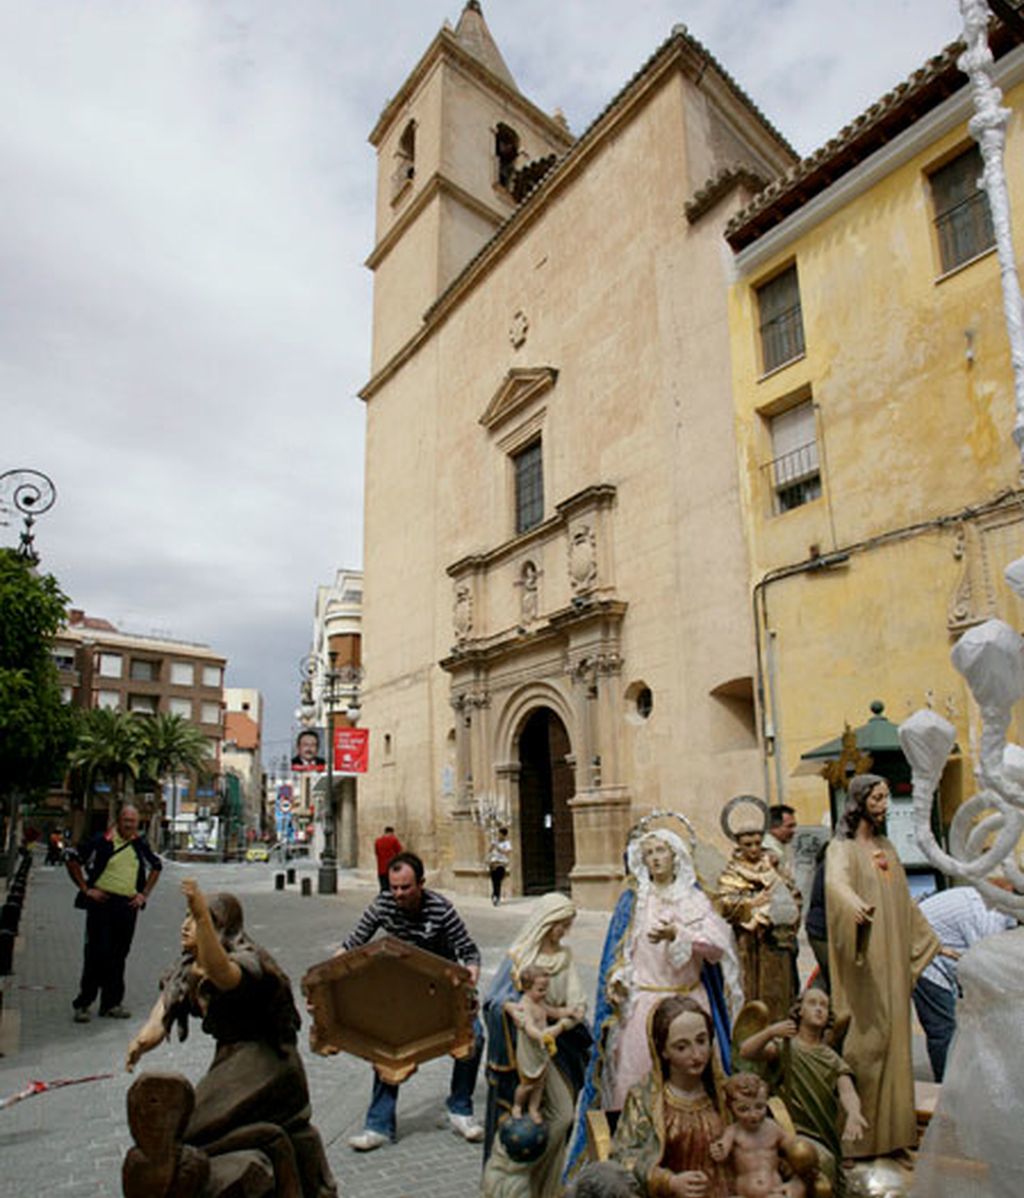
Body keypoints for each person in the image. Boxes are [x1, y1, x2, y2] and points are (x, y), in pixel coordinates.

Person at [125, 879, 337, 1197]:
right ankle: (270, 1148)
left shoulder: (248, 960)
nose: (185, 926)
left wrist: (203, 919)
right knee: (192, 1128)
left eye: (194, 920)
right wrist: (142, 1040)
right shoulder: (187, 968)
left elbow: (224, 975)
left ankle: (268, 1151)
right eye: (187, 918)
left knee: (194, 1130)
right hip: (230, 1063)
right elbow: (164, 1009)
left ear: (218, 928)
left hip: (266, 1066)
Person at [573, 829, 740, 1166]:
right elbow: (622, 953)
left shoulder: (693, 898)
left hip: (690, 1001)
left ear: (675, 854)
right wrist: (619, 980)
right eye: (648, 853)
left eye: (661, 850)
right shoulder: (634, 901)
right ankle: (641, 1159)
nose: (655, 858)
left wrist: (680, 934)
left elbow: (717, 948)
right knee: (638, 1082)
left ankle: (700, 1150)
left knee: (699, 1077)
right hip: (645, 1006)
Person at [825, 773, 940, 1158]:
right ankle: (859, 1140)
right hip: (864, 963)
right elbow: (835, 884)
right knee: (867, 1044)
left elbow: (906, 903)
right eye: (876, 798)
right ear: (858, 801)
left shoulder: (887, 847)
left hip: (892, 963)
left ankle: (896, 1136)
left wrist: (933, 943)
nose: (883, 805)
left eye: (886, 797)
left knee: (896, 1042)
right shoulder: (840, 849)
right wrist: (851, 903)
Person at [338, 850, 485, 1150]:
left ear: (421, 883)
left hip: (442, 991)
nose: (399, 894)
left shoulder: (441, 909)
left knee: (476, 1036)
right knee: (386, 1046)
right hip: (404, 994)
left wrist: (470, 983)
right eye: (394, 887)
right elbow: (352, 944)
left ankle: (459, 1109)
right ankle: (378, 1125)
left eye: (405, 887)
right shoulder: (382, 905)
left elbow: (469, 953)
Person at [482, 892, 592, 1198]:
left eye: (568, 926)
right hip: (523, 1051)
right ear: (547, 923)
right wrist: (510, 1010)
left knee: (564, 1116)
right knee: (526, 1115)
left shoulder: (565, 958)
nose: (564, 932)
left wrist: (560, 1026)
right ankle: (518, 1182)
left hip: (556, 1050)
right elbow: (494, 1000)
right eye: (561, 925)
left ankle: (546, 1183)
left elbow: (576, 1001)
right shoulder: (519, 957)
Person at [738, 987, 867, 1190]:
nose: (818, 1009)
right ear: (800, 1010)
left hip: (822, 1134)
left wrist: (854, 1113)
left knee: (825, 1168)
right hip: (789, 1132)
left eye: (824, 1006)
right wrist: (770, 1031)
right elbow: (746, 1051)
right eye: (812, 1003)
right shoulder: (785, 1047)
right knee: (819, 1164)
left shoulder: (831, 1059)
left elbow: (847, 1090)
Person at [610, 994, 729, 1198]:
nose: (697, 1054)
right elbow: (623, 1158)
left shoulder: (724, 1094)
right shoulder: (644, 1099)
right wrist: (668, 1181)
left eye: (701, 1041)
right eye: (682, 1047)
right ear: (663, 1050)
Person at [66, 803, 162, 1022]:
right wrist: (85, 889)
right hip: (102, 903)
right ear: (119, 821)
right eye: (126, 821)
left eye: (134, 822)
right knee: (96, 953)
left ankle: (111, 1003)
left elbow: (156, 866)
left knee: (119, 955)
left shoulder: (139, 844)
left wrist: (143, 894)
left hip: (127, 907)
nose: (130, 826)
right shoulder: (102, 841)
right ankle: (84, 1003)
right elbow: (72, 859)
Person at [912, 884, 1017, 1083]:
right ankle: (947, 1091)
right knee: (943, 1028)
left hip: (948, 952)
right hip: (926, 959)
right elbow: (984, 971)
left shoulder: (1003, 911)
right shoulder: (991, 919)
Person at [717, 820, 801, 1023]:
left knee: (780, 989)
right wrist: (751, 904)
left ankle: (782, 1028)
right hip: (749, 943)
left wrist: (782, 910)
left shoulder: (774, 868)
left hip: (776, 941)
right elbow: (725, 903)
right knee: (751, 988)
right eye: (748, 844)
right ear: (739, 845)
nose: (754, 848)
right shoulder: (732, 872)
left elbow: (794, 895)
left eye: (757, 842)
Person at [506, 964, 583, 1124]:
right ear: (527, 988)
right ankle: (517, 1105)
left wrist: (569, 1012)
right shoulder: (525, 1005)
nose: (544, 993)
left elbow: (554, 1012)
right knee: (527, 1083)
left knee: (540, 1082)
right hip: (530, 1051)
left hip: (542, 1049)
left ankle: (534, 1108)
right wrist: (541, 1035)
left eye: (545, 989)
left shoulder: (539, 1002)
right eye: (540, 990)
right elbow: (529, 1028)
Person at [710, 1073, 803, 1198]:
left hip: (775, 1191)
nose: (753, 1115)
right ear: (730, 1108)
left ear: (766, 1102)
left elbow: (794, 1146)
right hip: (745, 1194)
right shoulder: (733, 1131)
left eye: (759, 1107)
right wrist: (719, 1149)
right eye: (743, 1109)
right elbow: (722, 1150)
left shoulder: (773, 1128)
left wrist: (796, 1152)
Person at [763, 805, 797, 876]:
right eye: (789, 826)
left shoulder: (784, 846)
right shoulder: (765, 850)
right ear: (774, 827)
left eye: (794, 826)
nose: (794, 830)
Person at [488, 825, 513, 906]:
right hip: (493, 863)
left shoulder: (507, 843)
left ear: (504, 835)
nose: (498, 836)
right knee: (494, 881)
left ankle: (496, 897)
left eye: (500, 834)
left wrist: (498, 848)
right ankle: (494, 895)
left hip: (501, 864)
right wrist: (491, 847)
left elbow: (507, 852)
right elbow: (490, 851)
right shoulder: (495, 842)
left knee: (498, 881)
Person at [374, 825, 403, 891]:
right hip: (391, 867)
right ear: (391, 832)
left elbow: (377, 853)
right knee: (391, 888)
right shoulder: (394, 840)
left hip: (381, 868)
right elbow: (399, 851)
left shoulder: (378, 841)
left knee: (383, 887)